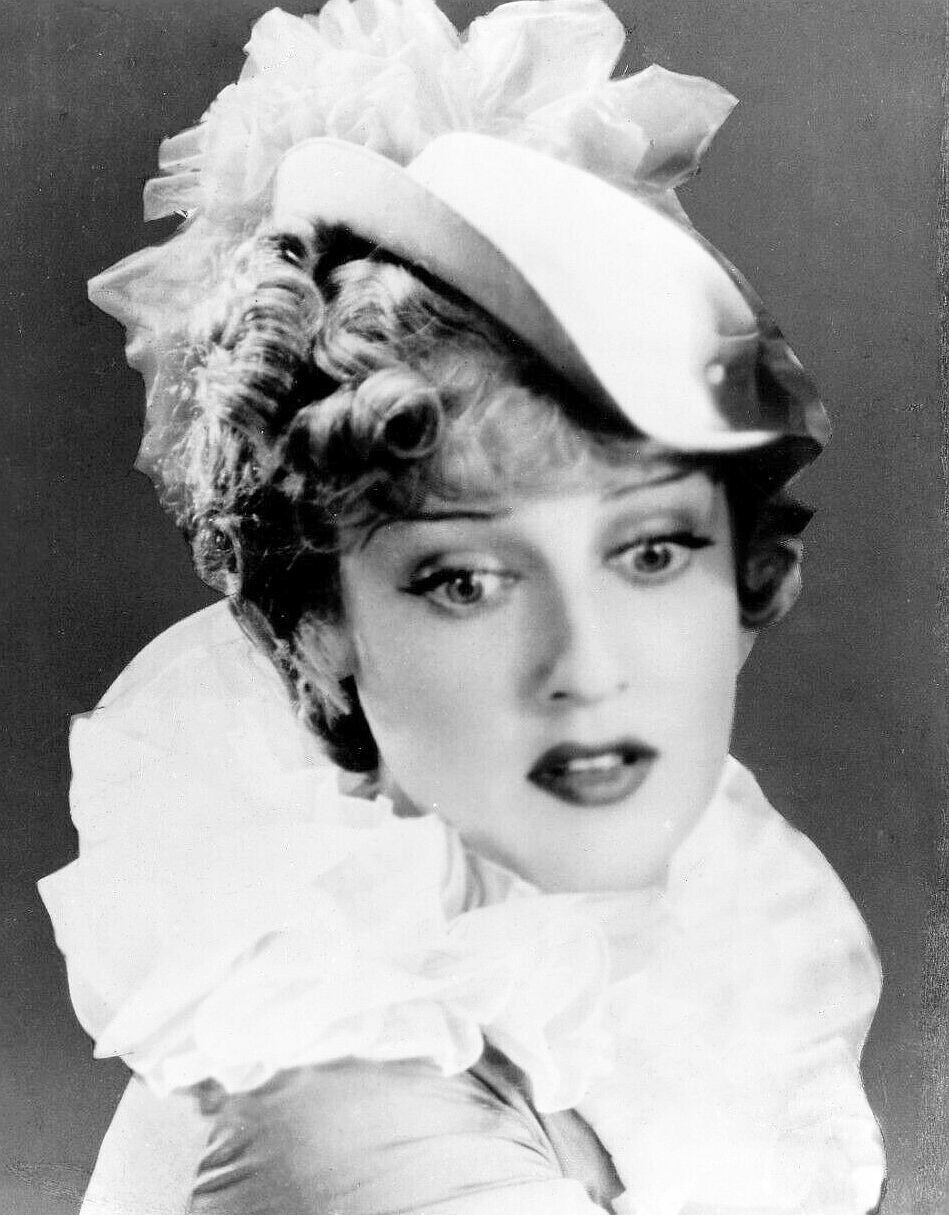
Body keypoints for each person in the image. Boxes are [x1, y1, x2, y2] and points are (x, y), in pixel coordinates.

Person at [40, 0, 887, 1212]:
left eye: (649, 555)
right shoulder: (332, 1085)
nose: (591, 666)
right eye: (467, 580)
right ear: (313, 632)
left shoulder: (590, 974)